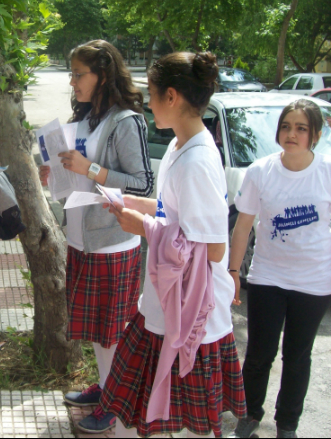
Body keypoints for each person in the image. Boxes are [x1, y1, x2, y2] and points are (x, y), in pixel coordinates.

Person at [79, 52, 247, 437]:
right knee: (139, 420)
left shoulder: (197, 162)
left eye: (151, 94)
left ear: (171, 97)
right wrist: (142, 207)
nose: (146, 103)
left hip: (189, 319)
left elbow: (214, 251)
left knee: (176, 427)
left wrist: (145, 228)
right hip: (164, 305)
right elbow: (178, 214)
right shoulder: (179, 147)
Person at [39, 39, 154, 430]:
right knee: (97, 332)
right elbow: (79, 178)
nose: (72, 82)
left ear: (102, 75)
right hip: (81, 238)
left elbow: (140, 184)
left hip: (113, 242)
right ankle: (106, 390)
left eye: (78, 74)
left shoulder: (126, 120)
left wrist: (90, 169)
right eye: (71, 74)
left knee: (112, 334)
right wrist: (56, 174)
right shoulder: (87, 119)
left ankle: (116, 404)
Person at [229, 99, 331, 439]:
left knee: (297, 357)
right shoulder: (260, 170)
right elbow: (243, 226)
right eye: (287, 126)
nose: (292, 134)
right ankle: (248, 417)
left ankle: (287, 426)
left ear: (315, 135)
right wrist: (232, 272)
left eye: (301, 128)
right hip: (267, 278)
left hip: (314, 282)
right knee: (259, 354)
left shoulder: (327, 172)